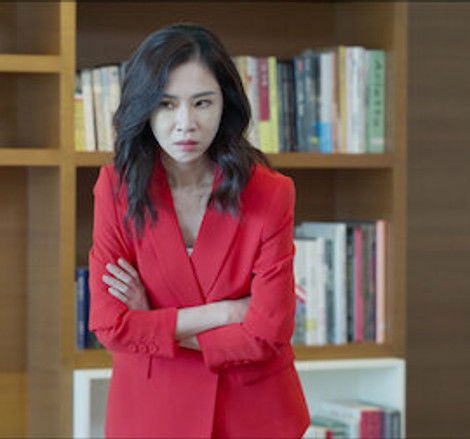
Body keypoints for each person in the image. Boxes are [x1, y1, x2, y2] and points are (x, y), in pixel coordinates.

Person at [88, 23, 310, 438]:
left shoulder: (270, 193)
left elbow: (268, 333)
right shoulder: (117, 190)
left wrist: (152, 321)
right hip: (153, 413)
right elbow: (111, 326)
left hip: (253, 415)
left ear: (225, 104)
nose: (185, 123)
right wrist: (225, 314)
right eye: (166, 104)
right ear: (144, 108)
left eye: (202, 103)